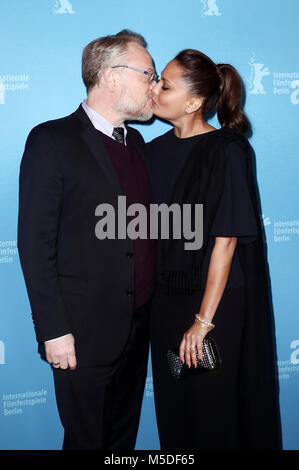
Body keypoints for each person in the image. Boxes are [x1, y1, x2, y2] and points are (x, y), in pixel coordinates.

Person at [17, 30, 158, 450]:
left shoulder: (140, 146)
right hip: (81, 336)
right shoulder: (52, 140)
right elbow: (35, 244)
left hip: (137, 330)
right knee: (87, 441)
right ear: (112, 77)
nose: (155, 85)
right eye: (148, 73)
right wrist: (54, 330)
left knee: (121, 442)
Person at [147, 49, 282, 450]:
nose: (154, 88)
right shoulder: (152, 151)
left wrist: (203, 323)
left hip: (214, 305)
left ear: (193, 102)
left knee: (212, 411)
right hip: (167, 303)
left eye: (164, 84)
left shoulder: (229, 149)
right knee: (176, 409)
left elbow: (226, 243)